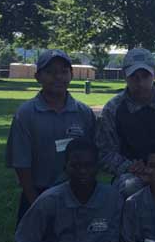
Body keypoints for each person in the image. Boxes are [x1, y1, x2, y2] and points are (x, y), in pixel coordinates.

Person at [6, 49, 96, 222]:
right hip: (38, 191)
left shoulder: (83, 113)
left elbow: (93, 156)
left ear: (71, 75)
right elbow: (21, 163)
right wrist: (34, 202)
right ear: (37, 77)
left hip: (76, 192)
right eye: (50, 72)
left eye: (63, 71)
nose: (58, 77)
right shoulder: (26, 114)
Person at [96, 48, 155, 198]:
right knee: (131, 187)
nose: (140, 82)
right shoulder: (114, 108)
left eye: (145, 76)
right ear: (125, 76)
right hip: (131, 172)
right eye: (134, 77)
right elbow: (104, 151)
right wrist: (129, 166)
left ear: (154, 74)